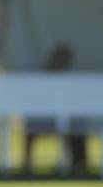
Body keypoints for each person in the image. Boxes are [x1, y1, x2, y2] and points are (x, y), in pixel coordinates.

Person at [23, 42, 88, 177]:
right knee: (32, 128)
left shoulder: (70, 79)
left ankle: (79, 165)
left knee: (77, 126)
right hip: (42, 119)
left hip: (64, 119)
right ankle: (27, 167)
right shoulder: (39, 75)